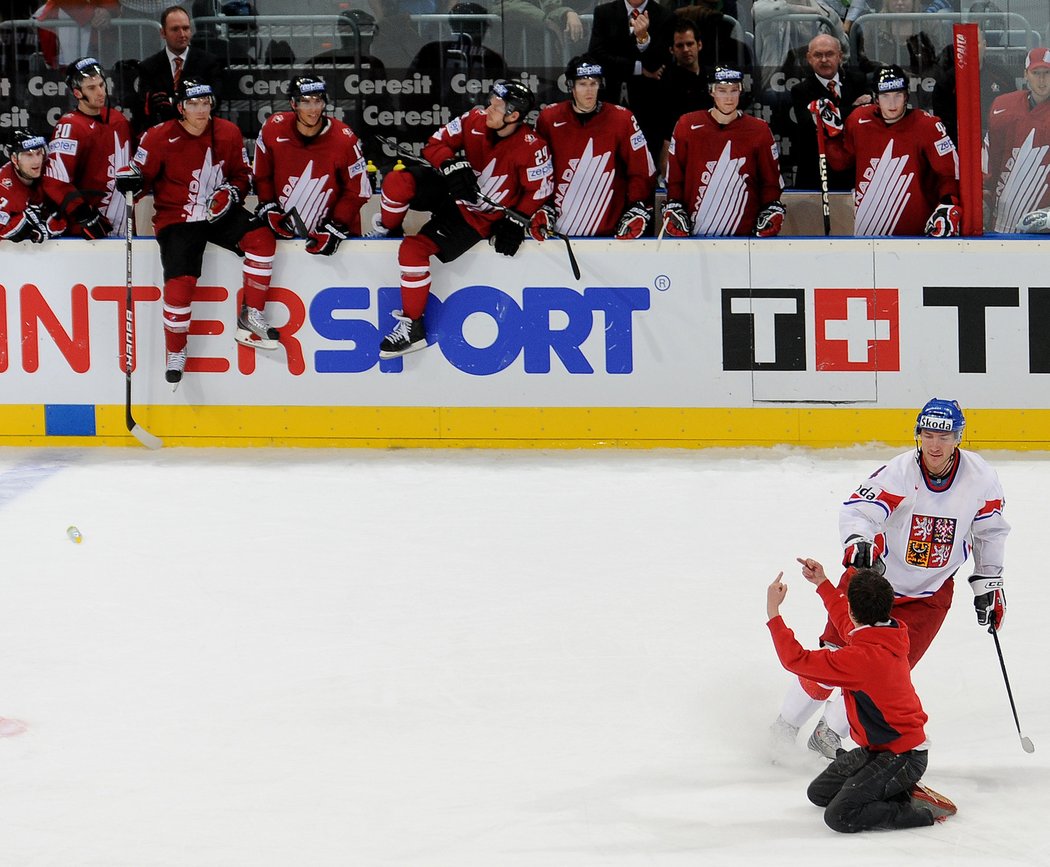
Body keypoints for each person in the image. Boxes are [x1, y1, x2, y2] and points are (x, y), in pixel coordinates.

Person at [772, 398, 1010, 760]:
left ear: (959, 438)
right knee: (833, 658)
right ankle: (785, 726)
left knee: (884, 673)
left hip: (929, 595)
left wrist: (990, 586)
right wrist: (858, 541)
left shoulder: (981, 478)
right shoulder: (900, 472)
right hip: (876, 585)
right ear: (918, 435)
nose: (935, 445)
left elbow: (990, 533)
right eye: (928, 434)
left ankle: (828, 734)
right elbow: (859, 510)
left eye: (944, 437)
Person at [365, 80, 553, 359]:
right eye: (491, 101)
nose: (489, 108)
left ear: (513, 116)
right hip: (453, 192)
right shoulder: (475, 119)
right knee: (397, 181)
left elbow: (540, 189)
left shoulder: (532, 146)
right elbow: (434, 144)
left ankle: (412, 328)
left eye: (497, 107)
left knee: (412, 250)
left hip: (476, 219)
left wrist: (516, 220)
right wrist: (448, 163)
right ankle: (388, 229)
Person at [767, 558, 957, 832]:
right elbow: (845, 619)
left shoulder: (861, 659)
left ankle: (915, 807)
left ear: (856, 612)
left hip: (903, 756)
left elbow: (796, 660)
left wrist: (774, 612)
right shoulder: (887, 632)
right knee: (818, 794)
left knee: (840, 816)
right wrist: (822, 583)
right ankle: (893, 788)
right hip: (877, 750)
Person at [115, 79, 279, 385]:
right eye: (193, 104)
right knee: (180, 286)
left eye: (206, 103)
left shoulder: (228, 132)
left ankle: (252, 313)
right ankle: (175, 350)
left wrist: (232, 192)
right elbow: (140, 178)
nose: (201, 110)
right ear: (180, 108)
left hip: (219, 213)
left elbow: (242, 176)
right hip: (177, 217)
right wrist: (131, 180)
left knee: (261, 239)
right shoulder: (157, 137)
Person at [812, 65, 961, 236]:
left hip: (917, 231)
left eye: (898, 95)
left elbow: (949, 172)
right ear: (876, 98)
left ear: (906, 96)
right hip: (867, 228)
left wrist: (948, 203)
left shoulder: (928, 125)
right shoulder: (858, 119)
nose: (892, 103)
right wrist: (830, 135)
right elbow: (840, 163)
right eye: (885, 96)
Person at [532, 55, 655, 239]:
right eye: (582, 84)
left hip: (609, 233)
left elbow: (642, 170)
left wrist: (636, 205)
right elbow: (538, 170)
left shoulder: (622, 119)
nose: (589, 90)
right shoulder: (549, 118)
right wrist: (543, 204)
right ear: (571, 86)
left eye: (594, 83)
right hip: (558, 231)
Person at [662, 65, 786, 237]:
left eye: (734, 90)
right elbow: (675, 176)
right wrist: (674, 202)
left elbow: (771, 181)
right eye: (722, 90)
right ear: (711, 92)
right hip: (694, 236)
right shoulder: (686, 125)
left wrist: (771, 206)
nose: (729, 98)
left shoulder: (759, 129)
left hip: (745, 238)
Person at [252, 75, 371, 253]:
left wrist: (336, 225)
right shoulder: (272, 128)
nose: (313, 109)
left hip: (334, 237)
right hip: (283, 234)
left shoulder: (344, 139)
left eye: (318, 101)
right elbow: (262, 175)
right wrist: (268, 206)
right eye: (306, 102)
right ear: (293, 104)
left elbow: (358, 191)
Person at [42, 56, 132, 238]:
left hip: (124, 225)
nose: (100, 92)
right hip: (88, 232)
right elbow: (56, 180)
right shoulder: (69, 127)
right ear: (77, 93)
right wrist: (83, 214)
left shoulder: (118, 119)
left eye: (101, 84)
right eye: (91, 88)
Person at [587, 0, 674, 162]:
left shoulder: (664, 15)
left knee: (646, 162)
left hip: (649, 103)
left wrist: (643, 38)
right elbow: (597, 55)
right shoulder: (604, 12)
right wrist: (638, 68)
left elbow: (657, 64)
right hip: (611, 95)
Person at [789, 33, 870, 191]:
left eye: (829, 54)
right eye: (818, 55)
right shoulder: (801, 91)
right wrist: (853, 109)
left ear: (840, 56)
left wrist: (830, 114)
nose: (824, 60)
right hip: (817, 173)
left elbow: (867, 119)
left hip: (856, 170)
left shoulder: (859, 81)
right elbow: (812, 124)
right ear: (809, 58)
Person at [985, 47, 1050, 234]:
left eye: (1047, 73)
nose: (1042, 79)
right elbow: (991, 160)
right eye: (1036, 73)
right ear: (1025, 74)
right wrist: (983, 197)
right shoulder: (1003, 107)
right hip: (1003, 222)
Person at [133, 5, 223, 132]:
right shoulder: (148, 67)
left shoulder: (209, 63)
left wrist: (172, 103)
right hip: (162, 133)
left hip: (200, 132)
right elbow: (145, 106)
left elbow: (215, 100)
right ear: (163, 33)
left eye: (185, 28)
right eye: (175, 29)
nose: (182, 34)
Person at [654, 18, 712, 175]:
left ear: (699, 45)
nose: (686, 49)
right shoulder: (666, 83)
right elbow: (667, 132)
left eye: (690, 44)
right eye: (680, 45)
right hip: (680, 148)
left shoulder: (712, 77)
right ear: (672, 50)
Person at [0, 129, 67, 244]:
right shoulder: (4, 189)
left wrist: (49, 226)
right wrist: (21, 222)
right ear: (15, 159)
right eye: (29, 155)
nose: (36, 161)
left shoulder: (49, 172)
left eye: (38, 153)